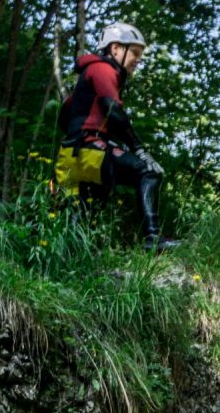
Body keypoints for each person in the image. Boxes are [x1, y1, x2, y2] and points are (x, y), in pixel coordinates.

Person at [56, 22, 174, 250]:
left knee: (81, 219)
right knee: (147, 171)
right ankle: (153, 239)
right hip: (89, 152)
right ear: (116, 49)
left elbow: (66, 115)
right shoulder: (103, 69)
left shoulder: (87, 75)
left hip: (71, 156)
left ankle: (70, 264)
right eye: (135, 53)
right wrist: (139, 148)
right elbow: (114, 111)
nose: (138, 60)